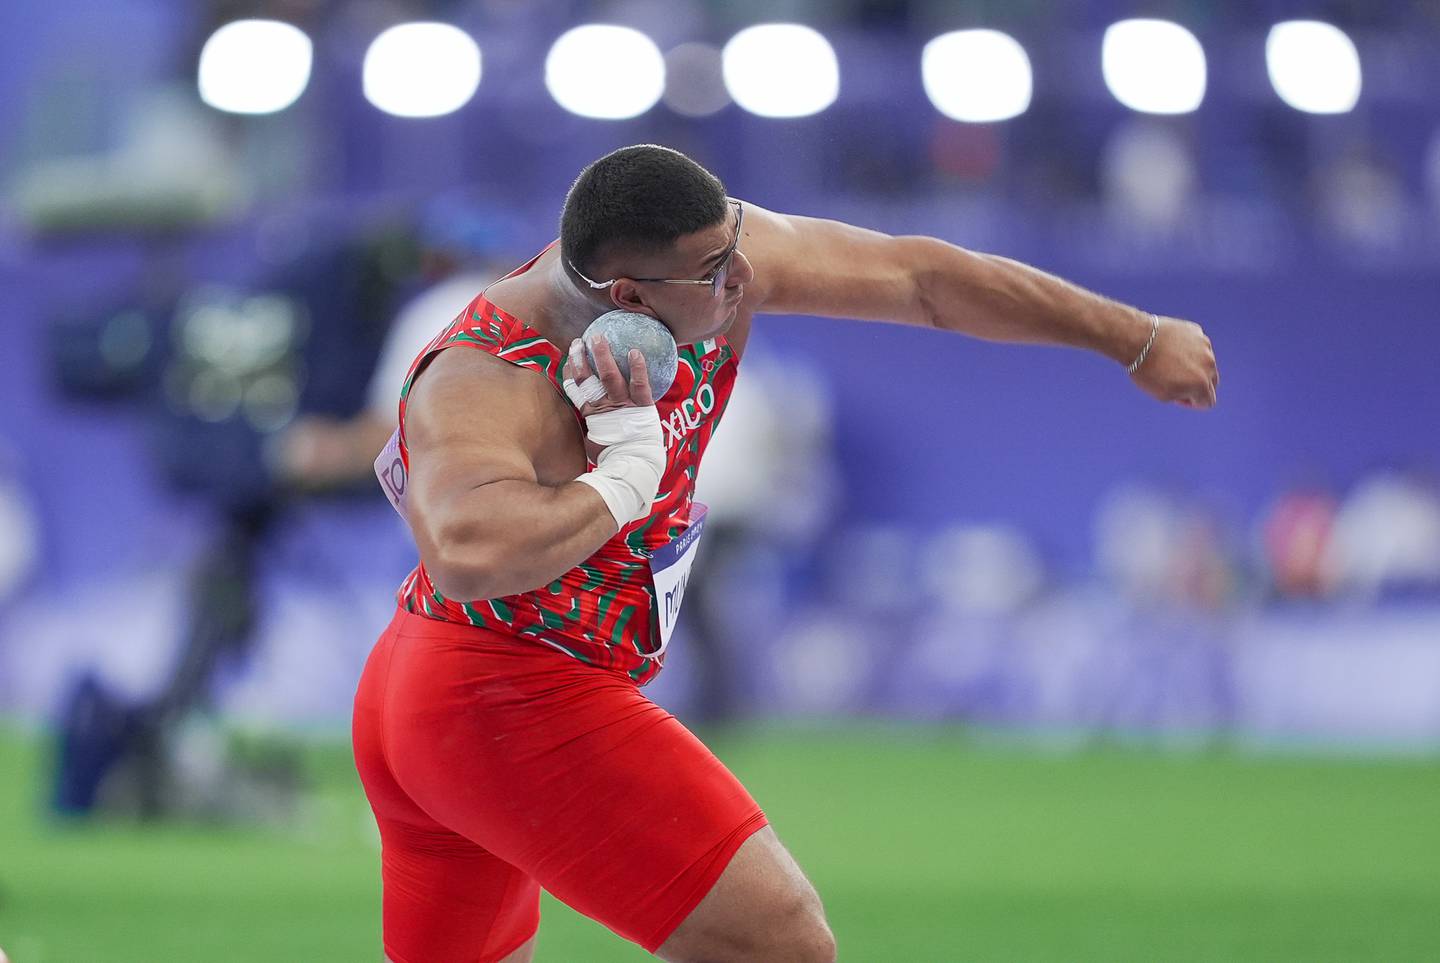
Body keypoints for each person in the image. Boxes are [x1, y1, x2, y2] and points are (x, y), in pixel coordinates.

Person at [351, 144, 1219, 963]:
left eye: (732, 248)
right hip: (502, 693)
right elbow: (466, 549)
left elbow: (919, 279)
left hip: (452, 687)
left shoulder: (706, 257)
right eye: (714, 271)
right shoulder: (485, 374)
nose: (745, 277)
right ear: (628, 297)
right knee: (783, 943)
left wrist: (1131, 335)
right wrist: (621, 482)